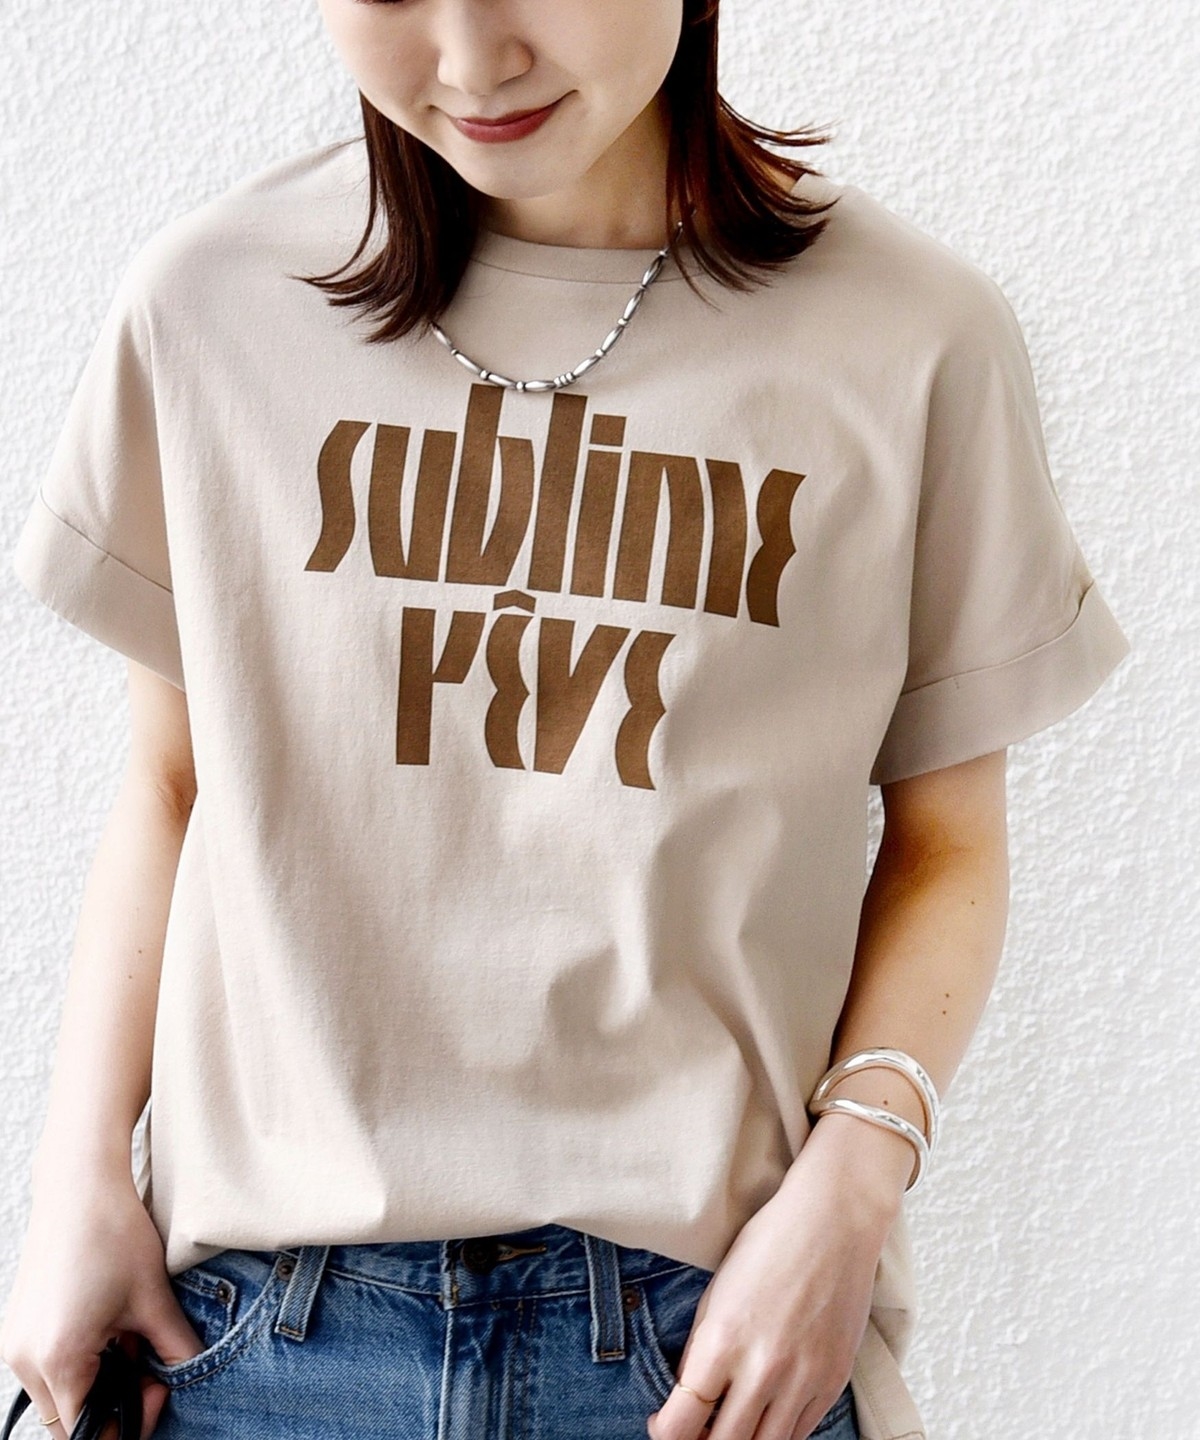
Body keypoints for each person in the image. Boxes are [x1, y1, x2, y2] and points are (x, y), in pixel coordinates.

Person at [0, 1, 1131, 1438]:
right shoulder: (213, 304)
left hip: (699, 1350)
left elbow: (947, 843)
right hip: (249, 1347)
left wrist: (855, 1185)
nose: (475, 58)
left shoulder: (914, 338)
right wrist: (76, 1180)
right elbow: (174, 785)